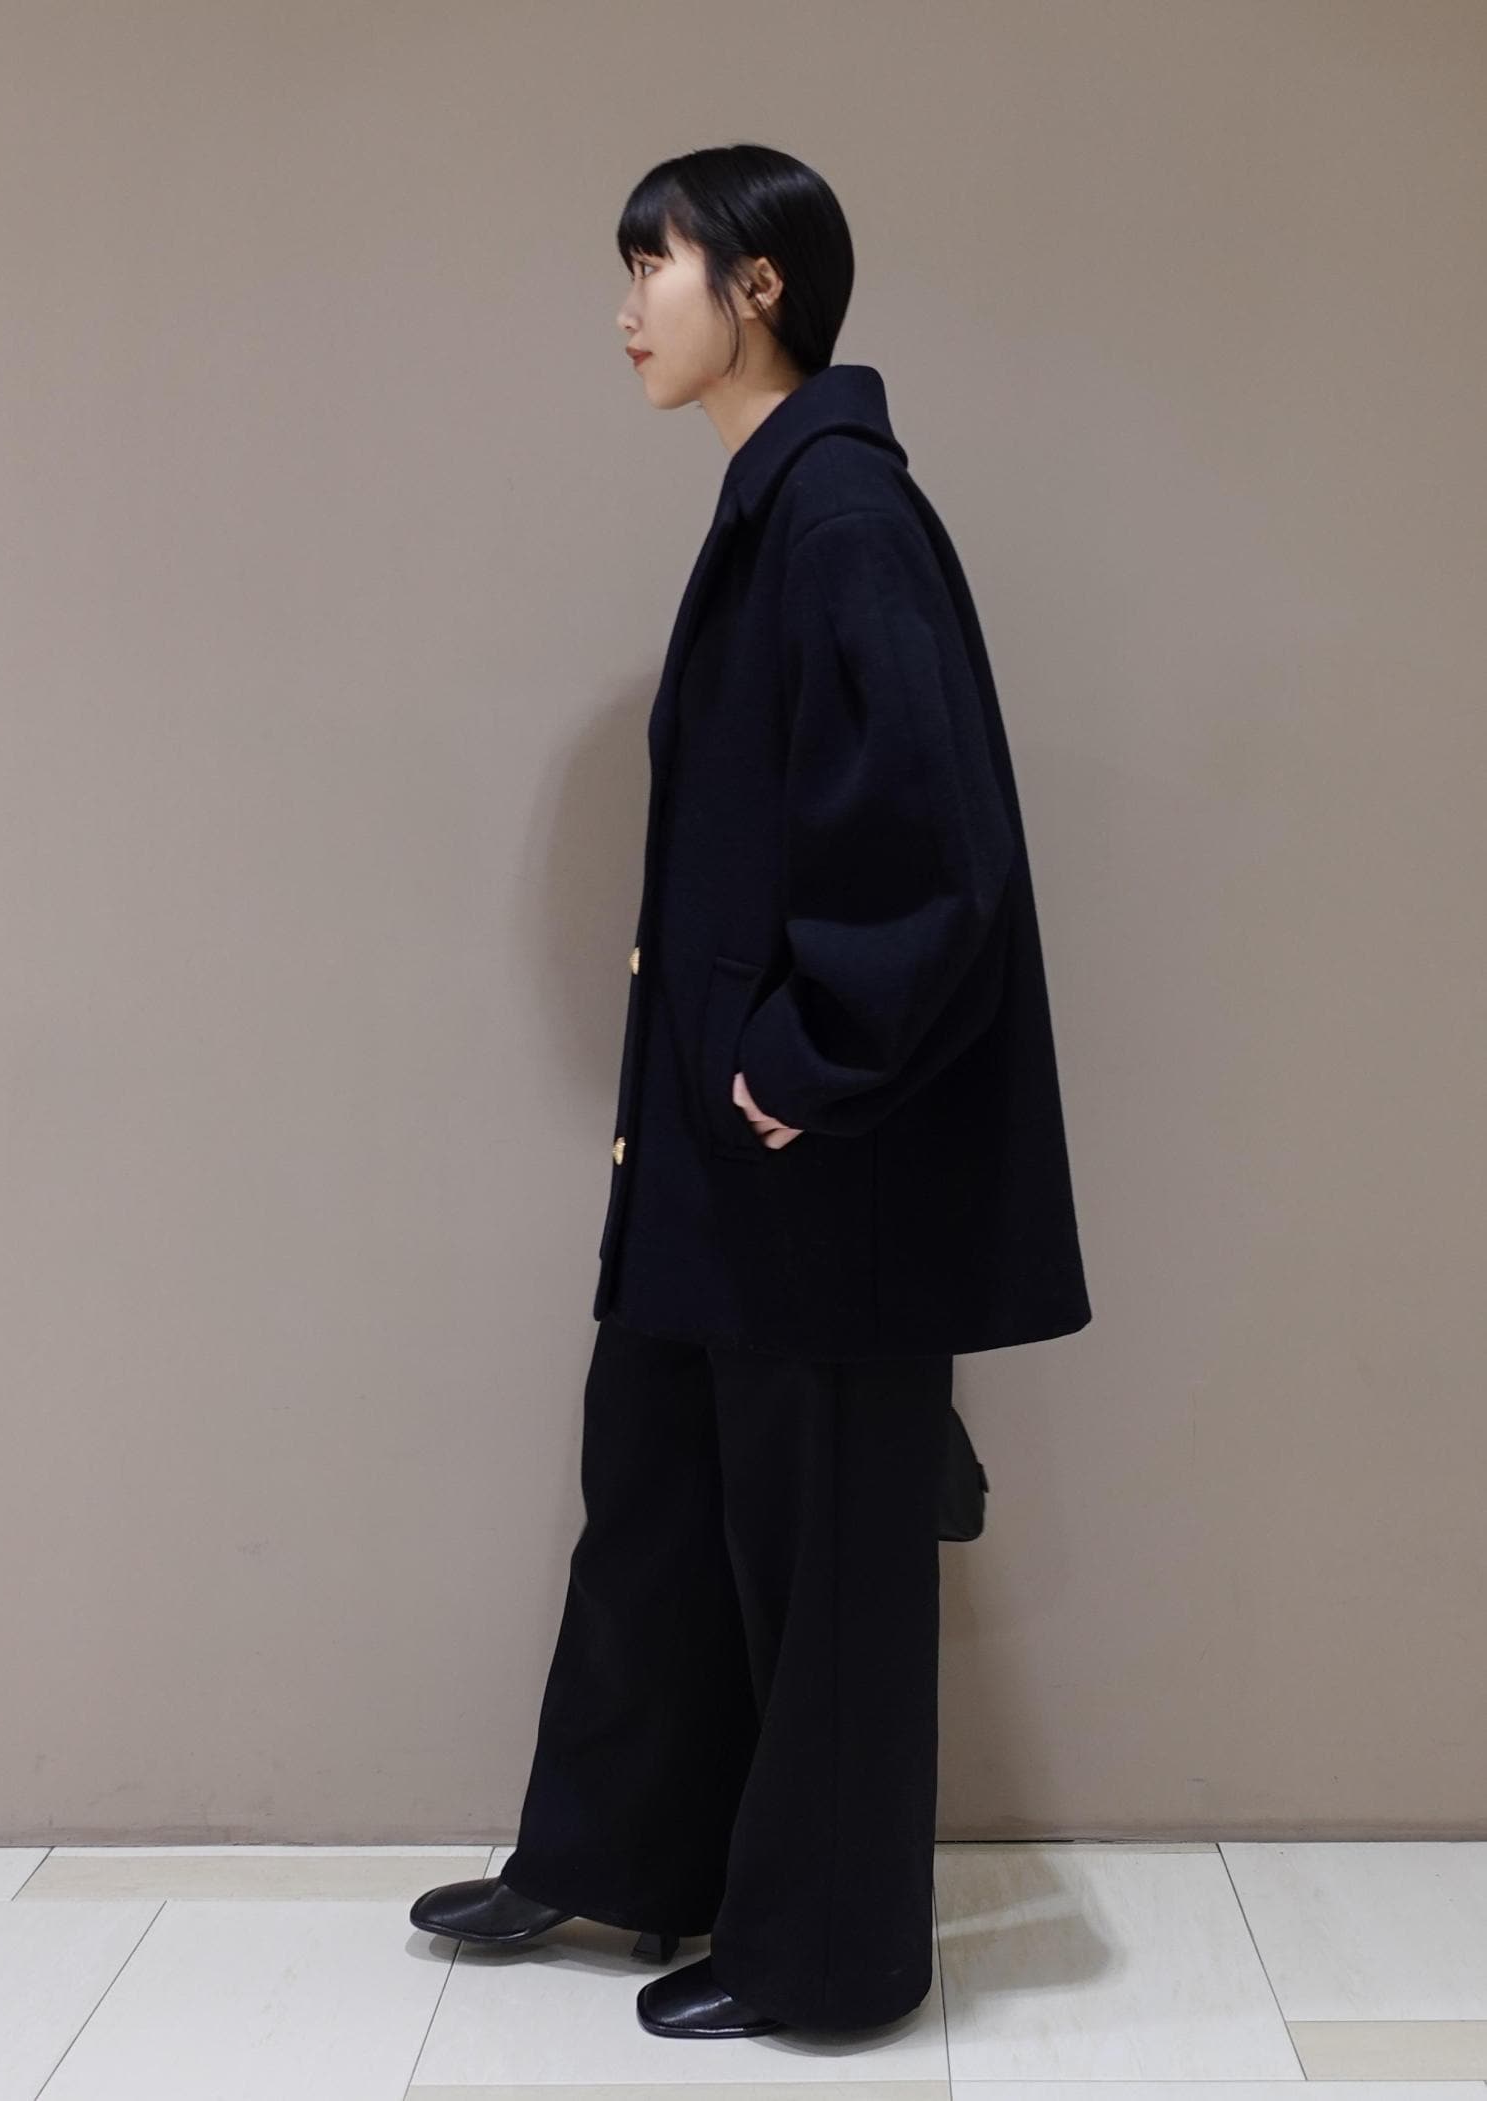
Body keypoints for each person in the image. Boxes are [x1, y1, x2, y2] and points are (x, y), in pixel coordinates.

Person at [411, 143, 1092, 2039]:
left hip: (816, 1160)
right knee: (656, 1495)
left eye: (655, 264)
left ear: (760, 287)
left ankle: (826, 1961)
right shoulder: (775, 504)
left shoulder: (846, 518)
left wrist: (804, 1061)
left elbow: (940, 849)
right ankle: (617, 1855)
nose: (628, 307)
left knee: (829, 1568)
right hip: (721, 1159)